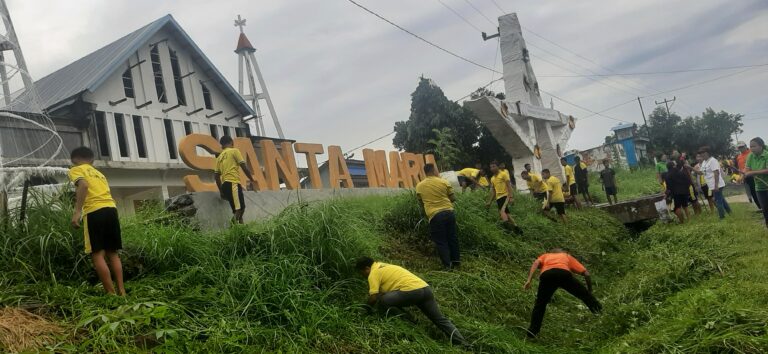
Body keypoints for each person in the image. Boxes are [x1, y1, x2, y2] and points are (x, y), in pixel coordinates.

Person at [355, 257, 469, 346]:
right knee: (439, 319)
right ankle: (463, 343)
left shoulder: (373, 273)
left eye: (362, 273)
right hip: (425, 289)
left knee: (383, 301)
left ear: (366, 268)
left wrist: (365, 310)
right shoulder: (384, 266)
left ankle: (410, 321)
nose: (363, 276)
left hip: (412, 292)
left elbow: (374, 297)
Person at [68, 147, 125, 296]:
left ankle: (111, 295)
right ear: (92, 159)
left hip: (94, 211)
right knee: (113, 254)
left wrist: (77, 211)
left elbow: (84, 185)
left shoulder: (76, 170)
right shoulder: (100, 174)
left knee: (97, 254)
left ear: (74, 160)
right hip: (111, 209)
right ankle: (122, 291)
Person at [523, 249, 602, 338]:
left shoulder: (545, 255)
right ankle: (600, 314)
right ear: (562, 252)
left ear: (552, 252)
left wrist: (529, 280)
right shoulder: (566, 256)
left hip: (547, 276)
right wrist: (589, 292)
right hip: (563, 274)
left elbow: (536, 263)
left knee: (540, 304)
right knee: (585, 295)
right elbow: (586, 274)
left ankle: (532, 332)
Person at [416, 164, 460, 269]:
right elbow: (453, 198)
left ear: (425, 172)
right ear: (434, 170)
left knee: (441, 241)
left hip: (435, 215)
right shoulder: (444, 182)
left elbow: (421, 203)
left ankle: (447, 266)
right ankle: (456, 262)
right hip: (449, 212)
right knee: (452, 238)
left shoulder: (419, 186)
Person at [214, 135, 257, 224]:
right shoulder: (234, 151)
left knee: (236, 211)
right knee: (241, 208)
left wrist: (221, 191)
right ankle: (231, 228)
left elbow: (216, 176)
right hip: (233, 183)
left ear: (222, 145)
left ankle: (242, 231)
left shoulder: (219, 158)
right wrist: (251, 179)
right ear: (231, 142)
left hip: (225, 185)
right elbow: (244, 167)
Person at [486, 161, 522, 233]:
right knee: (507, 214)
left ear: (497, 167)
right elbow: (493, 191)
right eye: (491, 167)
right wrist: (489, 201)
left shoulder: (503, 174)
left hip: (506, 196)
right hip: (498, 198)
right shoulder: (492, 178)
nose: (492, 168)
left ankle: (507, 229)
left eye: (494, 166)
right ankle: (517, 228)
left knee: (502, 211)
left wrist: (511, 197)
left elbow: (509, 186)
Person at [699, 146, 732, 219]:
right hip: (711, 185)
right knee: (721, 199)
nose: (701, 155)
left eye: (702, 153)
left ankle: (722, 217)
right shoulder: (704, 162)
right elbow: (701, 172)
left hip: (717, 184)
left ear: (707, 153)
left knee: (718, 200)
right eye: (700, 153)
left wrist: (716, 185)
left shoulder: (712, 160)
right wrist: (690, 168)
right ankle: (730, 213)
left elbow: (716, 173)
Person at [745, 137, 768, 228]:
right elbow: (747, 169)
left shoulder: (766, 155)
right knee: (765, 210)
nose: (751, 148)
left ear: (761, 146)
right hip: (759, 187)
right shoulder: (750, 156)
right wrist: (743, 176)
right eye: (750, 146)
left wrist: (753, 172)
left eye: (754, 146)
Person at [736, 141, 761, 211]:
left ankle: (763, 206)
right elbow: (740, 168)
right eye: (739, 147)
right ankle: (760, 207)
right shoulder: (739, 157)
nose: (741, 148)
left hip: (753, 175)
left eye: (742, 147)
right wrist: (741, 177)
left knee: (758, 191)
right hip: (745, 176)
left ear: (745, 146)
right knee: (752, 192)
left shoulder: (751, 153)